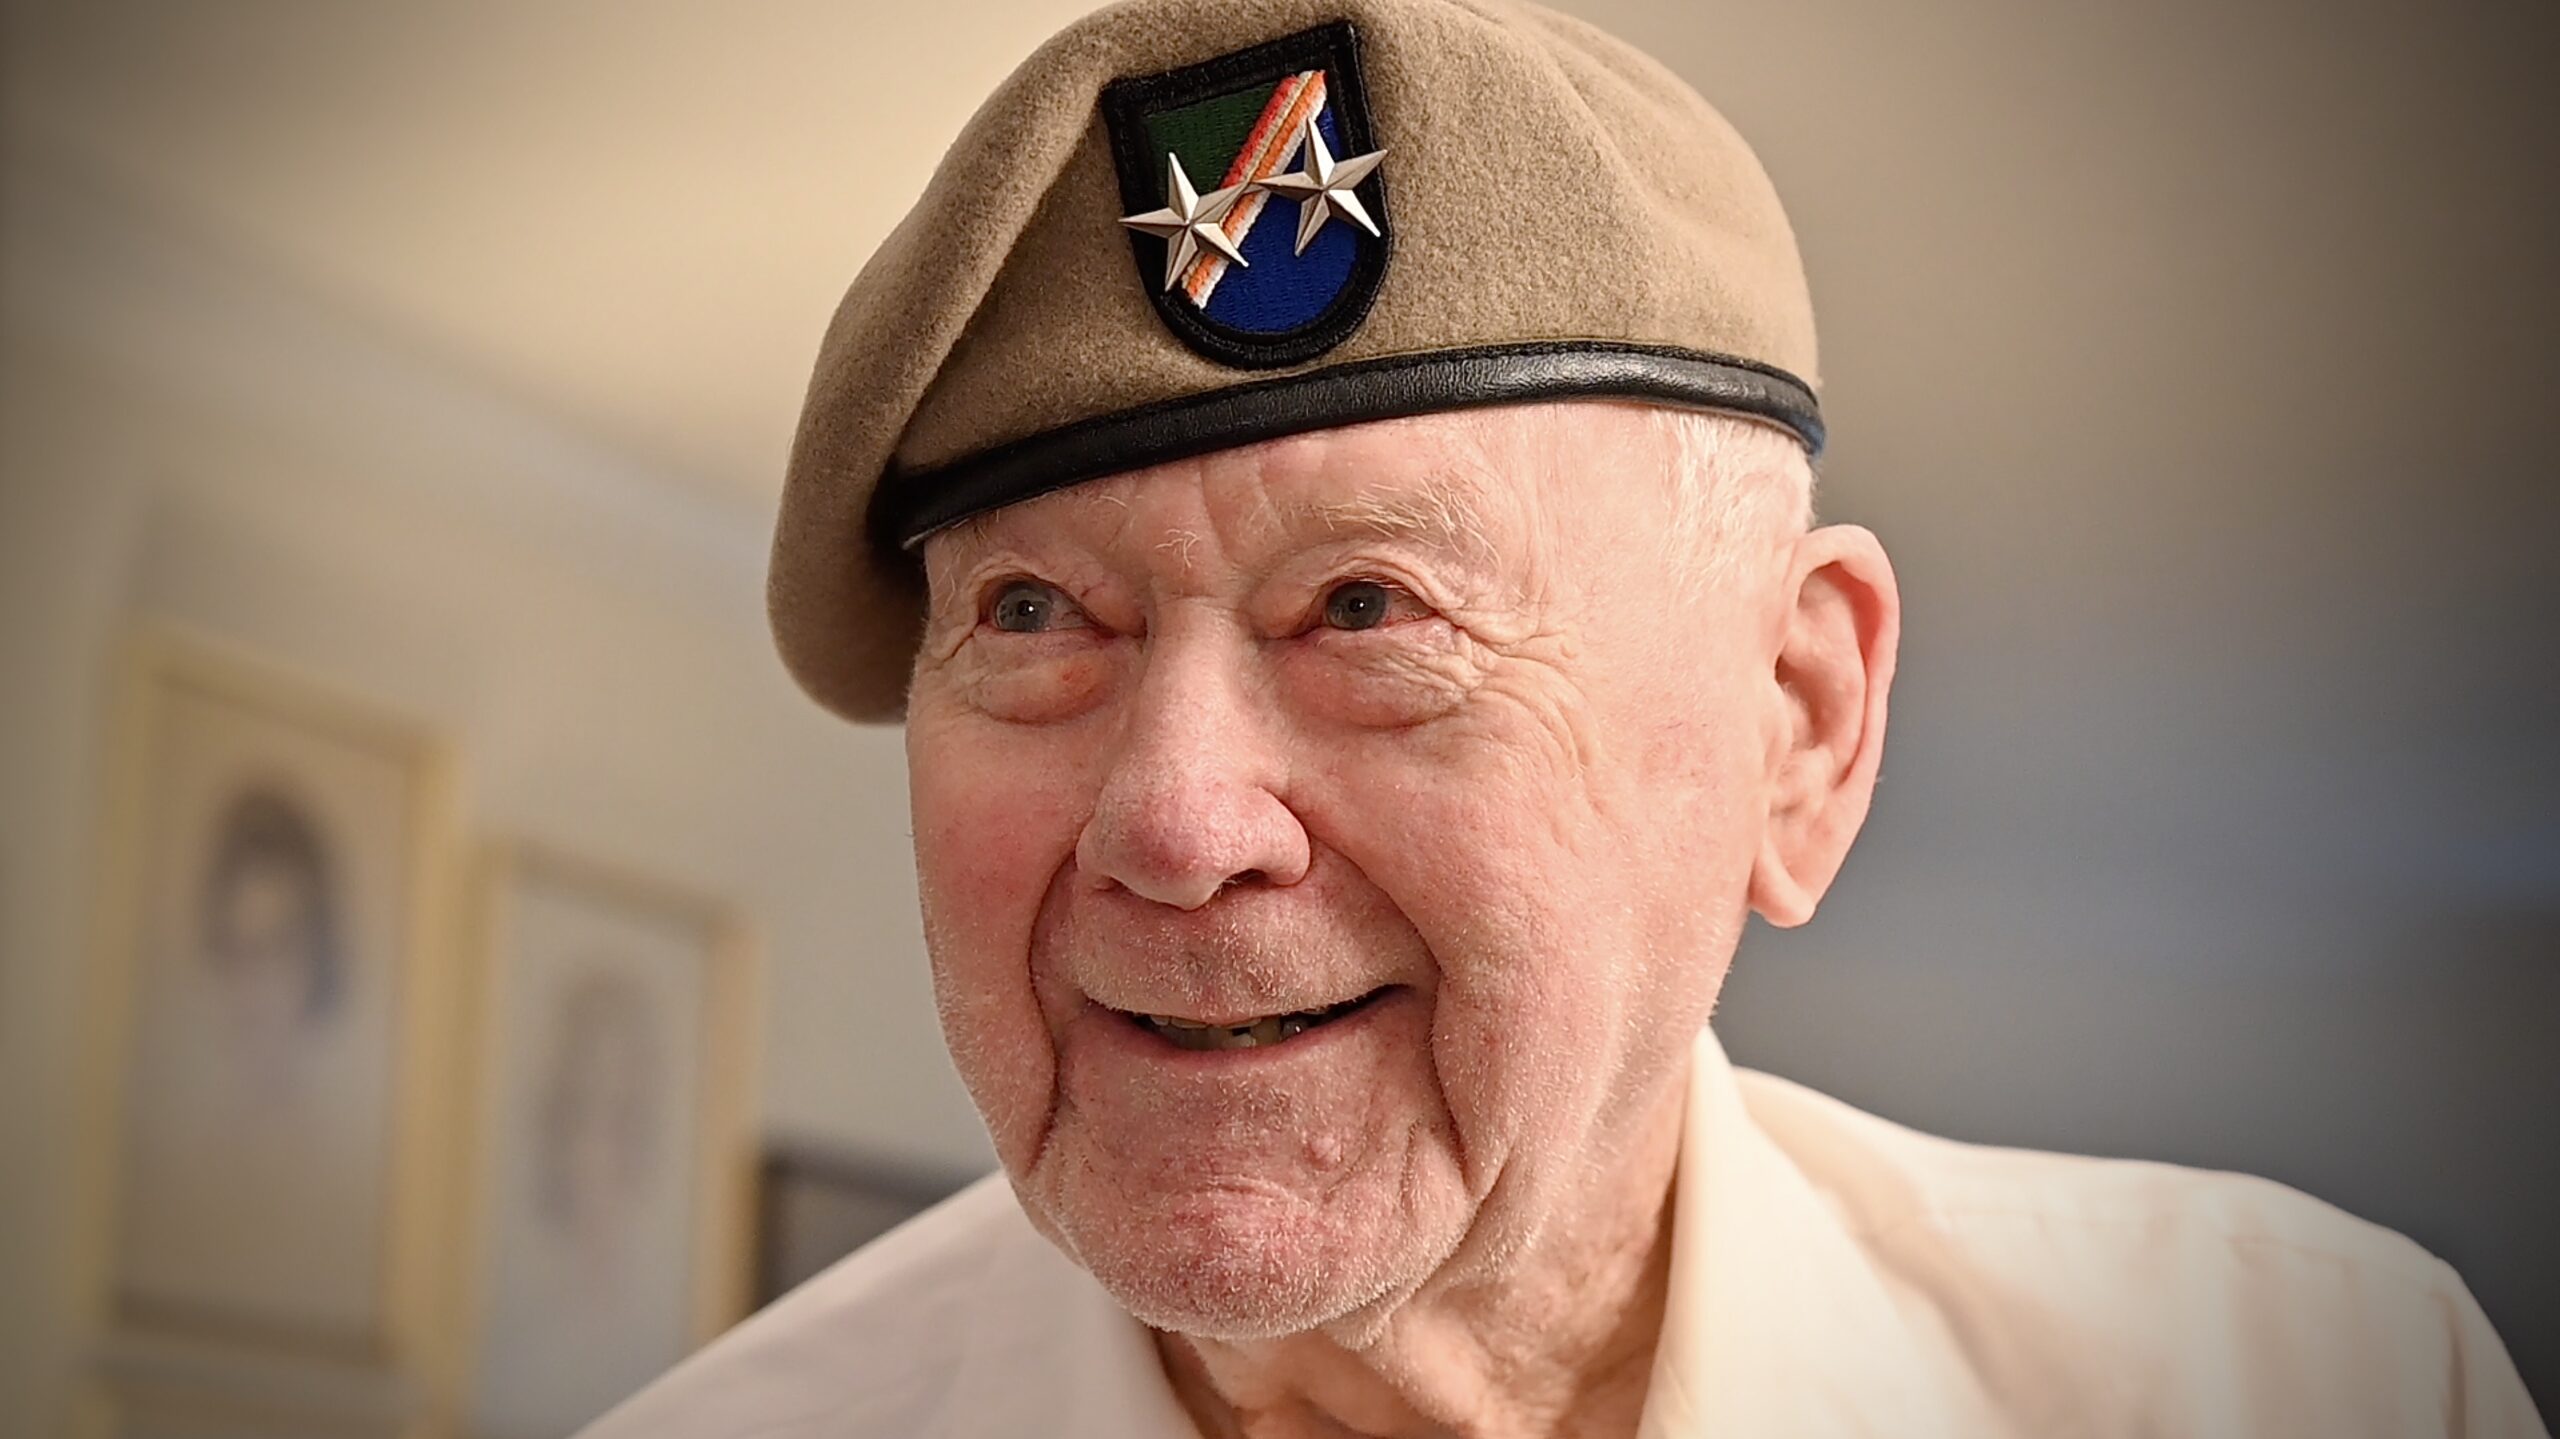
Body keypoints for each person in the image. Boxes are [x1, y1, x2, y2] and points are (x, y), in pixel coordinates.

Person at [584, 0, 2546, 1433]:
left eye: (1366, 607)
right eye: (1032, 613)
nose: (1174, 826)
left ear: (1797, 723)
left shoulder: (2313, 1389)